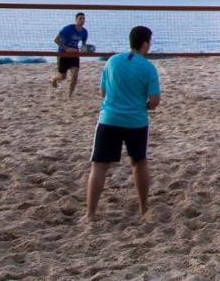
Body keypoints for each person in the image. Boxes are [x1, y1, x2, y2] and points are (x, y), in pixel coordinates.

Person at [84, 25, 161, 222]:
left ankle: (90, 214)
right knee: (139, 163)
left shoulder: (112, 61)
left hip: (109, 119)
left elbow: (103, 93)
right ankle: (144, 209)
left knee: (99, 167)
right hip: (135, 121)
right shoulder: (148, 68)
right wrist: (142, 105)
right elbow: (154, 101)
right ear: (145, 44)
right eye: (149, 42)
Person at [53, 12, 89, 97]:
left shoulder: (84, 32)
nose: (82, 20)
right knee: (63, 77)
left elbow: (83, 46)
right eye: (80, 18)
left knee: (75, 74)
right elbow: (56, 40)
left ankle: (70, 95)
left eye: (83, 19)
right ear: (76, 20)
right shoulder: (67, 29)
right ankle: (55, 78)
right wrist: (67, 48)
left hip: (74, 55)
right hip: (63, 54)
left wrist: (87, 49)